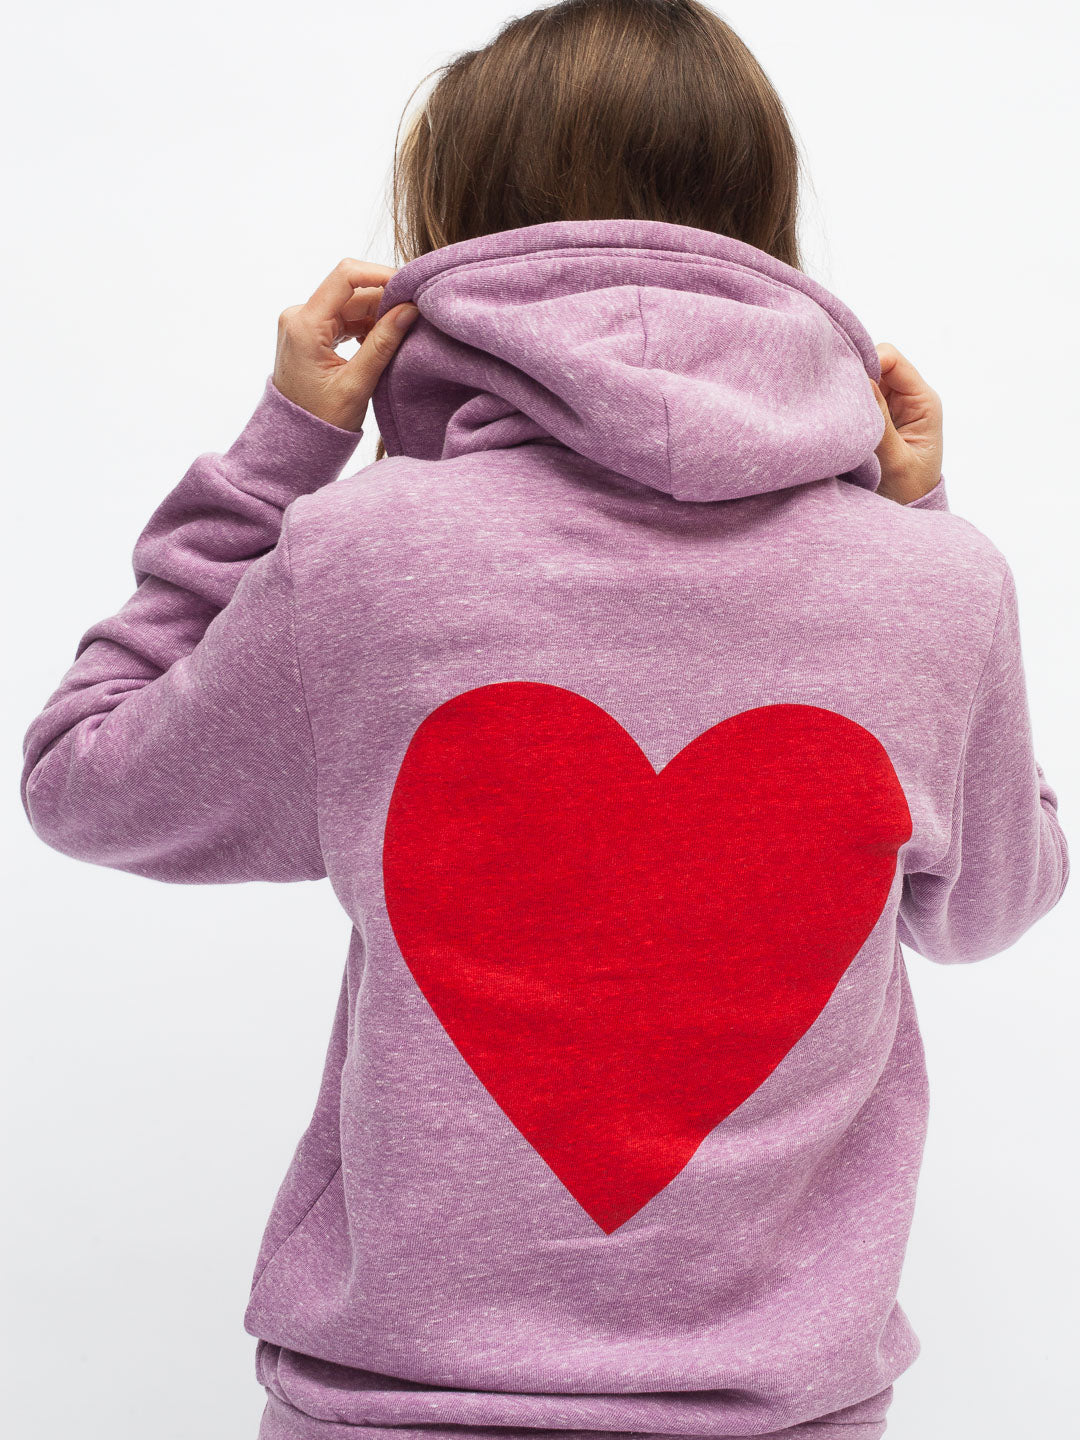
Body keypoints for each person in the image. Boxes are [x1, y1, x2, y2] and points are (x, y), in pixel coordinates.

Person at [20, 2, 1069, 1438]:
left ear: (451, 235)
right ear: (761, 214)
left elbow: (84, 777)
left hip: (393, 1409)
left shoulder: (369, 558)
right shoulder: (936, 586)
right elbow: (991, 905)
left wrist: (284, 447)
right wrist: (923, 535)